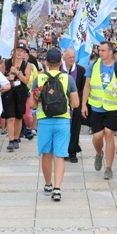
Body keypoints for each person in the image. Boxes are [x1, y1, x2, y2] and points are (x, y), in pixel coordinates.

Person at [28, 48, 79, 201]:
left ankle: (48, 184)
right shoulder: (67, 79)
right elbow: (75, 103)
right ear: (61, 62)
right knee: (60, 155)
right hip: (63, 120)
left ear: (46, 62)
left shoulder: (40, 78)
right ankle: (57, 188)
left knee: (46, 154)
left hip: (44, 120)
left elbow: (32, 104)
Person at [82, 41, 117, 180]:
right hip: (96, 106)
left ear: (110, 52)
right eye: (99, 50)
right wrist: (84, 105)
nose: (100, 52)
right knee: (97, 136)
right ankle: (99, 153)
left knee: (109, 133)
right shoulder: (93, 65)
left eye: (103, 50)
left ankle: (108, 167)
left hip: (113, 107)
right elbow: (87, 86)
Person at [4, 42, 33, 150]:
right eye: (18, 50)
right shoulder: (6, 63)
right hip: (9, 92)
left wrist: (17, 73)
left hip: (21, 92)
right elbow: (0, 77)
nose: (19, 53)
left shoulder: (27, 65)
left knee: (18, 117)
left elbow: (26, 80)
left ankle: (16, 138)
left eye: (22, 51)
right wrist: (9, 77)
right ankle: (11, 140)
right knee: (10, 117)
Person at [61, 48, 86, 163]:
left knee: (75, 128)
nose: (72, 59)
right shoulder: (60, 69)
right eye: (69, 57)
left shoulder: (80, 70)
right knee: (63, 128)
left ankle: (72, 151)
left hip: (76, 104)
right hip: (61, 105)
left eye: (73, 57)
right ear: (64, 58)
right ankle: (63, 150)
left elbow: (83, 87)